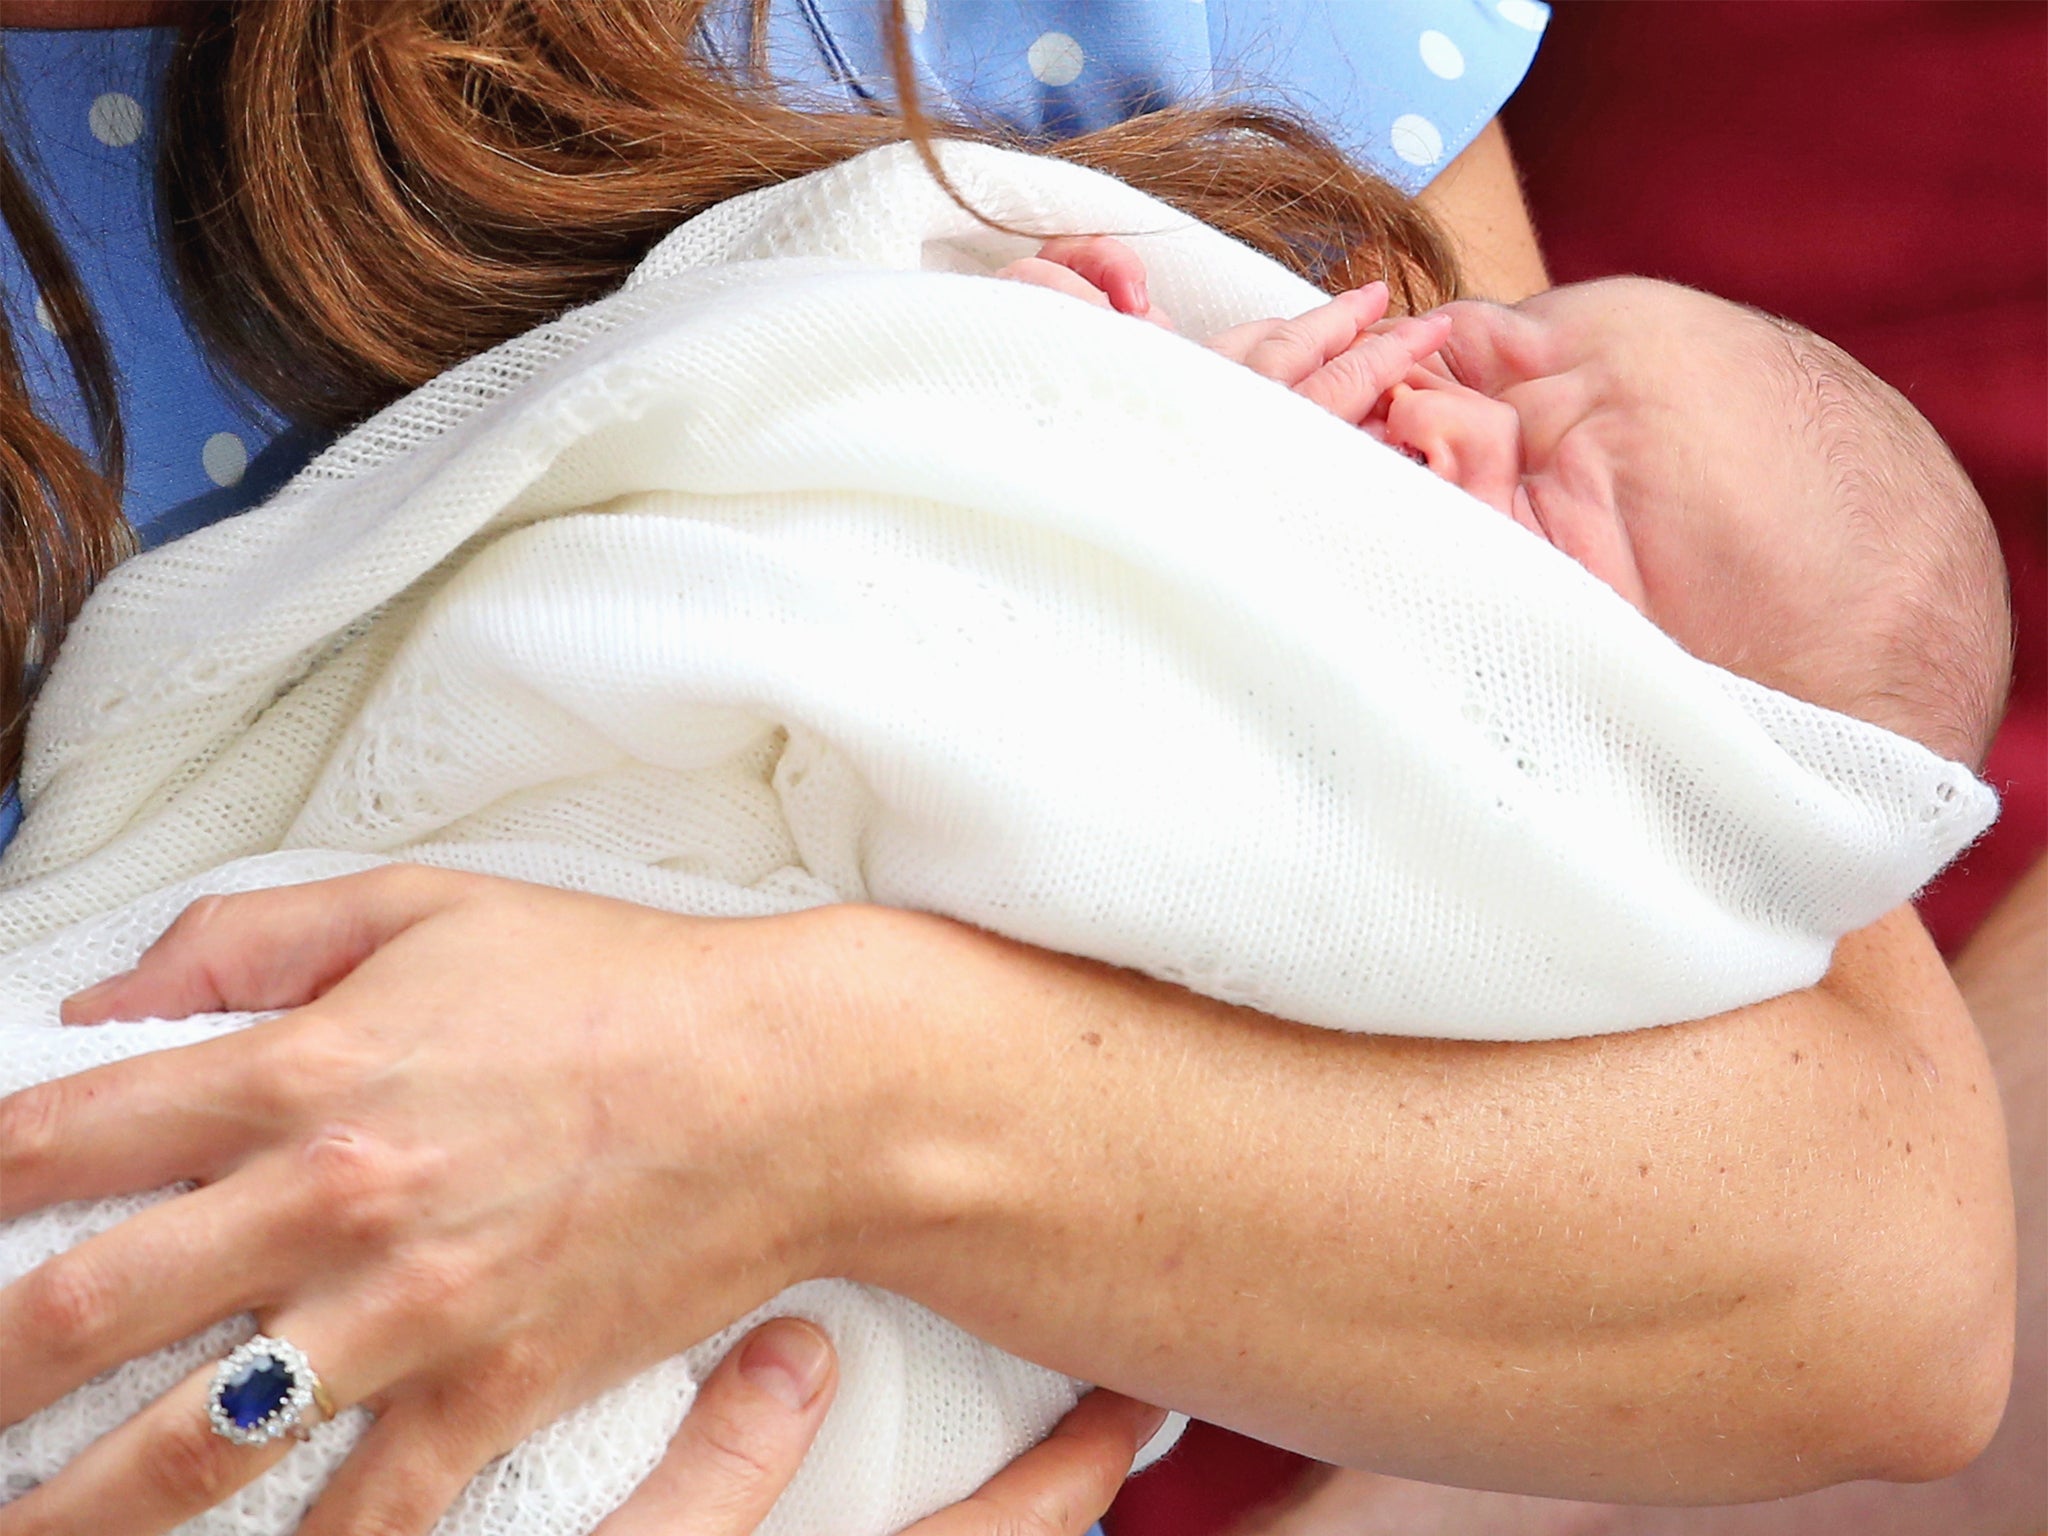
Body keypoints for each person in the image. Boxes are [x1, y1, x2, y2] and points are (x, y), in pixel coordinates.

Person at [0, 6, 2012, 1536]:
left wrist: (799, 1092)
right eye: (1495, 371)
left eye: (1539, 448)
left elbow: (1877, 1267)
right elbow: (908, 450)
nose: (1433, 376)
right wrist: (1064, 397)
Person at [1007, 243, 2007, 767]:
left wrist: (1172, 471)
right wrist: (1066, 358)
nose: (1430, 416)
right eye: (1466, 358)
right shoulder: (1271, 395)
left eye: (1535, 496)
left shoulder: (1434, 848)